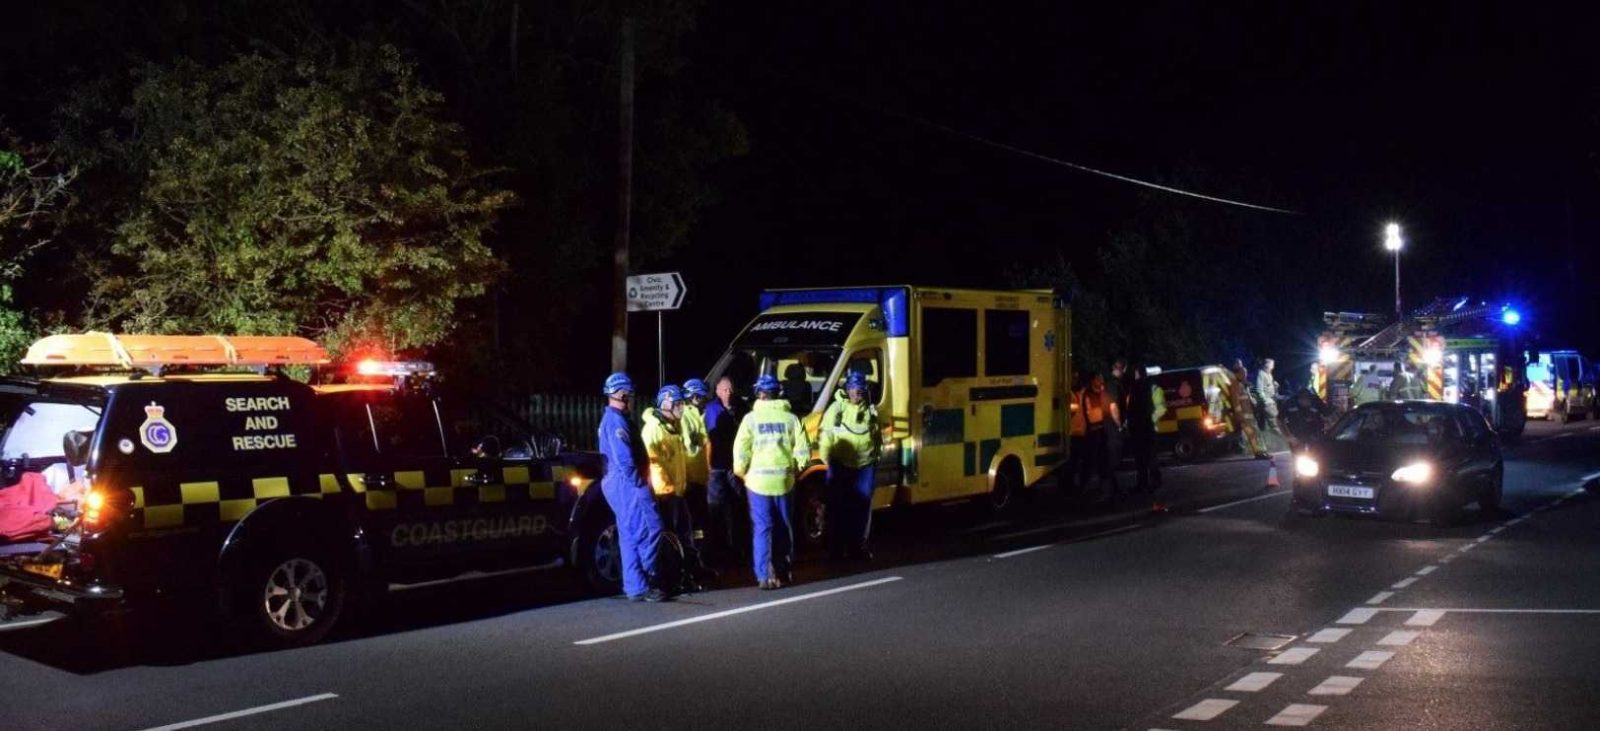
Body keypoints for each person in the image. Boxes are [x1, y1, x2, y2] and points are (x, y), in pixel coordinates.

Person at [733, 373, 811, 590]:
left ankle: (764, 575)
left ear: (759, 394)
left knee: (762, 528)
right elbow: (803, 451)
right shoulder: (791, 419)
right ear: (779, 393)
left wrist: (743, 473)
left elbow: (740, 451)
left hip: (757, 484)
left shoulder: (750, 419)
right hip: (784, 482)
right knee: (784, 527)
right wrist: (795, 471)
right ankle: (784, 571)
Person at [597, 372, 668, 602]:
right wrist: (640, 483)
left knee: (628, 535)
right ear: (621, 394)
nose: (631, 398)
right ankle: (652, 576)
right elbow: (625, 460)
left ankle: (635, 586)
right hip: (627, 486)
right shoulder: (616, 421)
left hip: (617, 484)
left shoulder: (612, 419)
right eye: (629, 394)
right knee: (650, 528)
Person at [642, 384, 702, 592]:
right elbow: (652, 462)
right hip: (664, 494)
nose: (681, 407)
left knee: (684, 536)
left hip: (677, 492)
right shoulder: (653, 429)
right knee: (670, 538)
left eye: (681, 403)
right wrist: (666, 489)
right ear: (665, 403)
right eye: (677, 403)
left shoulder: (673, 427)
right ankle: (670, 579)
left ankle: (687, 575)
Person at [820, 370, 881, 560]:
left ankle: (857, 547)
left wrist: (875, 458)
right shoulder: (836, 410)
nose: (857, 393)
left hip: (864, 466)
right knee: (838, 508)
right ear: (847, 389)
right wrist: (828, 461)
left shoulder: (870, 411)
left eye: (860, 390)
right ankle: (836, 549)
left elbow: (877, 436)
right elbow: (826, 438)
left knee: (861, 509)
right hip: (840, 466)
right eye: (854, 389)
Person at [703, 376, 746, 567]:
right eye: (725, 390)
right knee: (717, 509)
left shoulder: (739, 408)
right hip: (717, 466)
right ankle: (719, 550)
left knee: (736, 505)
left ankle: (736, 547)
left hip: (732, 465)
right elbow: (715, 437)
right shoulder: (713, 410)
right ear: (718, 391)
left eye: (731, 389)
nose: (729, 393)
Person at [680, 378, 713, 570]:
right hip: (691, 479)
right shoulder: (686, 416)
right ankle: (695, 563)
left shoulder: (697, 415)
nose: (703, 401)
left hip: (699, 477)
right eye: (701, 398)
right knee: (696, 525)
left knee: (700, 525)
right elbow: (689, 447)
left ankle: (701, 561)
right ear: (694, 397)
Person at [1079, 374, 1121, 501]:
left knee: (1104, 460)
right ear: (1093, 381)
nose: (1101, 382)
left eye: (1102, 380)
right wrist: (1118, 425)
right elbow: (1094, 411)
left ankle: (1108, 488)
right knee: (1093, 460)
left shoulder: (1099, 392)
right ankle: (1087, 488)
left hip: (1101, 431)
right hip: (1094, 431)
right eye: (1099, 380)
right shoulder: (1089, 393)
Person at [1124, 364, 1165, 494]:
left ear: (1138, 373)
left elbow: (1161, 408)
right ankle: (1147, 483)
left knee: (1145, 458)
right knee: (1145, 458)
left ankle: (1150, 483)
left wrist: (1146, 420)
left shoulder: (1139, 388)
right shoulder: (1147, 387)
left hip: (1141, 428)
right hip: (1143, 428)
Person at [1228, 360, 1270, 459]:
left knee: (1255, 433)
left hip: (1249, 414)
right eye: (1243, 373)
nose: (1245, 375)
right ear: (1237, 374)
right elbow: (1235, 401)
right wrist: (1239, 414)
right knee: (1251, 434)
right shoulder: (1235, 384)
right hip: (1244, 415)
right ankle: (1258, 452)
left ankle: (1261, 451)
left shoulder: (1242, 384)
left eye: (1245, 373)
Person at [1256, 358, 1280, 434]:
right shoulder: (1261, 374)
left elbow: (1269, 386)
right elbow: (1260, 390)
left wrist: (1274, 386)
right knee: (1272, 421)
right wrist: (1265, 401)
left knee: (1275, 417)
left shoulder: (1269, 374)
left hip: (1272, 400)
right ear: (1267, 365)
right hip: (1267, 402)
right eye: (1272, 364)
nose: (1273, 366)